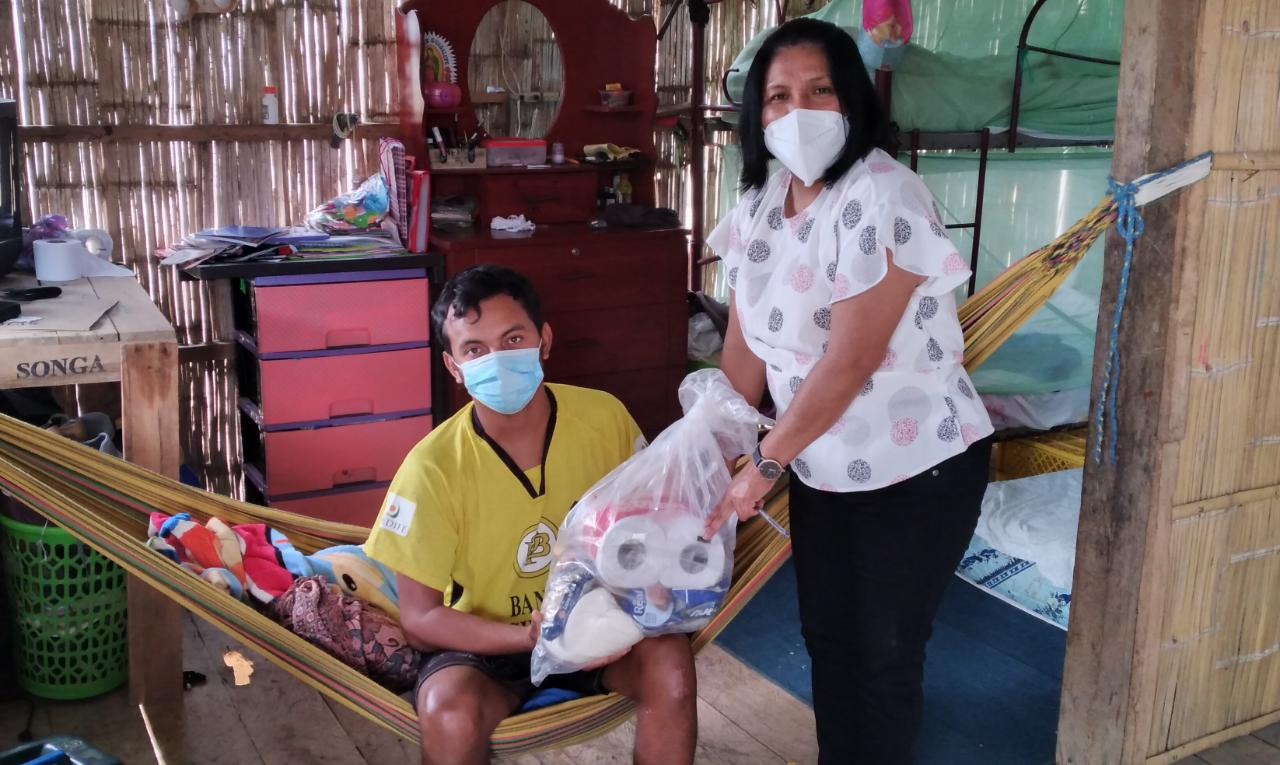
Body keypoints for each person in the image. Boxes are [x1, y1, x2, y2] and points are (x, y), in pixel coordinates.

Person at [702, 18, 994, 765]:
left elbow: (851, 359)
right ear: (757, 114)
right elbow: (744, 351)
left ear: (852, 100)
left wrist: (763, 463)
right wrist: (710, 449)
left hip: (918, 467)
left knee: (885, 654)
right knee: (829, 639)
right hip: (822, 466)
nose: (797, 111)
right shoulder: (761, 204)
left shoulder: (884, 195)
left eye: (819, 90)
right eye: (778, 96)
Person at [364, 265, 697, 765]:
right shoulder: (430, 469)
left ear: (544, 340)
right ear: (453, 366)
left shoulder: (604, 419)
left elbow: (648, 529)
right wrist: (527, 637)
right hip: (485, 649)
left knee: (671, 666)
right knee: (447, 712)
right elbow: (419, 618)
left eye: (513, 339)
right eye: (474, 349)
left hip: (599, 625)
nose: (496, 360)